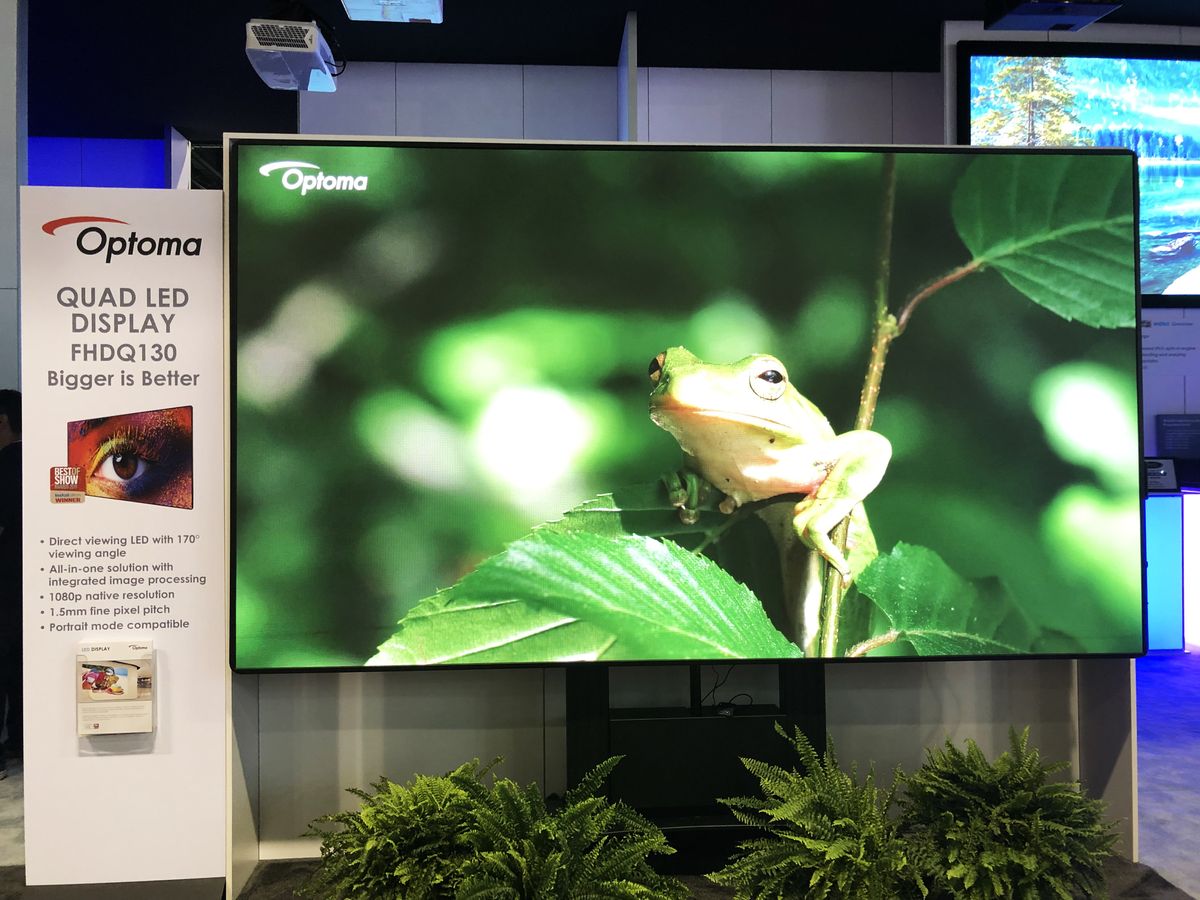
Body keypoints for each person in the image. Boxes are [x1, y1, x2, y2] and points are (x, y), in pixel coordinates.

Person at [0, 389, 22, 778]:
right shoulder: (41, 461)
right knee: (21, 661)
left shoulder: (4, 465)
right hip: (30, 583)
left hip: (5, 580)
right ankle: (21, 740)